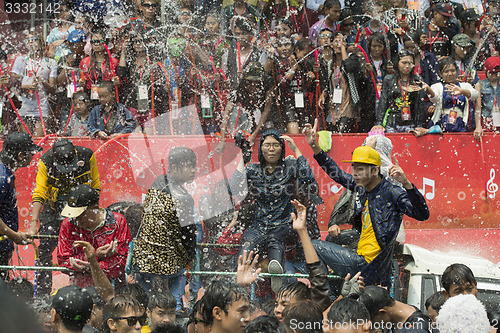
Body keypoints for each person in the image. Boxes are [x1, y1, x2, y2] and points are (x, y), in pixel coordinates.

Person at [304, 119, 429, 287]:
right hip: (360, 257)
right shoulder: (362, 188)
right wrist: (314, 146)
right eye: (354, 168)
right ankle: (332, 287)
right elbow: (336, 173)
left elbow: (422, 215)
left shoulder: (392, 192)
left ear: (376, 170)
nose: (355, 173)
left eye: (360, 169)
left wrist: (407, 184)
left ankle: (324, 289)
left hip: (368, 264)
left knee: (313, 245)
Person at [230, 129, 322, 292]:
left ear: (282, 148)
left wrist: (296, 149)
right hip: (259, 225)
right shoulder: (254, 170)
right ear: (261, 148)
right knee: (247, 242)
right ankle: (240, 282)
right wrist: (242, 159)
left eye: (275, 145)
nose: (271, 149)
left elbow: (308, 178)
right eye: (267, 145)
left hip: (284, 225)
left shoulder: (290, 166)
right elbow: (234, 186)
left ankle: (276, 274)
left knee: (274, 237)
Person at [30, 138, 100, 296]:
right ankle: (43, 292)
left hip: (81, 208)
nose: (68, 170)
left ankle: (86, 289)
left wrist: (93, 215)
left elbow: (95, 186)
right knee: (45, 248)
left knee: (83, 245)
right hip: (54, 208)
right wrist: (33, 223)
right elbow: (40, 191)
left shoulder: (87, 156)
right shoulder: (46, 161)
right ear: (55, 158)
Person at [132, 147, 198, 310]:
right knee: (175, 295)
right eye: (189, 166)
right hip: (170, 265)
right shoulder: (183, 198)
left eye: (194, 166)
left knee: (145, 301)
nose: (193, 171)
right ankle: (175, 308)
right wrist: (190, 257)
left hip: (143, 260)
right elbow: (188, 235)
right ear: (174, 167)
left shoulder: (156, 185)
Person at [57, 184, 131, 287]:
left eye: (80, 215)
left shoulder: (117, 221)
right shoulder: (68, 224)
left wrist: (93, 266)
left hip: (114, 287)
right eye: (73, 215)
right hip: (81, 290)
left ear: (95, 208)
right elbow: (63, 260)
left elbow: (123, 262)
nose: (76, 219)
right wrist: (95, 255)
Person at [0, 132, 41, 279]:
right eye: (30, 153)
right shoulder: (2, 178)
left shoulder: (6, 174)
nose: (33, 156)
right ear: (20, 156)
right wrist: (14, 236)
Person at [10, 33, 57, 136]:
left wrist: (43, 82)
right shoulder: (21, 60)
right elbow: (12, 83)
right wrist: (26, 86)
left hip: (41, 106)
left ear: (41, 43)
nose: (30, 42)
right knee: (25, 141)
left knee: (38, 141)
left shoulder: (51, 62)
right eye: (28, 40)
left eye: (33, 39)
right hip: (24, 105)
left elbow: (53, 88)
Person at [373, 50, 429, 133]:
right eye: (404, 63)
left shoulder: (417, 80)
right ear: (397, 63)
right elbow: (383, 102)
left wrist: (419, 125)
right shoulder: (389, 79)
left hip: (410, 123)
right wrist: (379, 123)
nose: (407, 66)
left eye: (410, 63)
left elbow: (419, 104)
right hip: (392, 122)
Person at [420, 57, 479, 134]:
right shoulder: (437, 86)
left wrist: (462, 91)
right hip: (441, 125)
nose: (450, 74)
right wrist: (428, 89)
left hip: (460, 125)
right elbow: (434, 98)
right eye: (446, 71)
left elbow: (475, 95)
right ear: (440, 73)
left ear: (457, 71)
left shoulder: (464, 85)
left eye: (453, 71)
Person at [358, 285, 434, 331]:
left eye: (373, 321)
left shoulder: (417, 327)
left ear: (382, 312)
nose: (374, 325)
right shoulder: (397, 319)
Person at [474, 56, 500, 140]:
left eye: (497, 73)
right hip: (487, 120)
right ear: (486, 72)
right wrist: (478, 126)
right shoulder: (480, 85)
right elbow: (478, 108)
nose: (494, 76)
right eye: (491, 73)